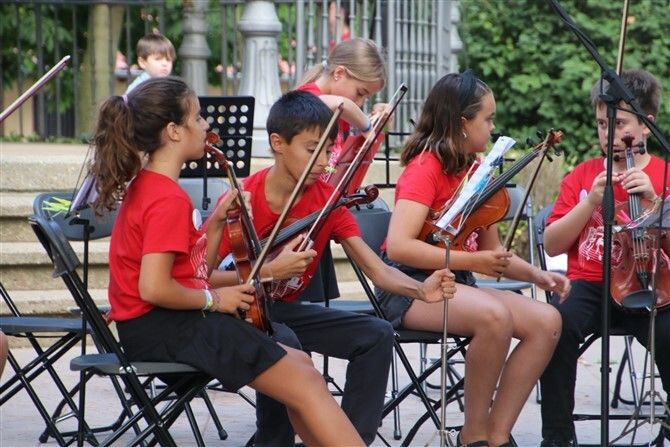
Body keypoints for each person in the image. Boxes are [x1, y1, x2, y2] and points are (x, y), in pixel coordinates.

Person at [89, 77, 366, 446]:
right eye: (198, 117)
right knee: (305, 382)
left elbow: (193, 273)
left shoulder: (150, 185)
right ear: (174, 131)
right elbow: (154, 288)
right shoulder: (167, 198)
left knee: (303, 369)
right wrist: (216, 300)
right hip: (167, 329)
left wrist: (218, 222)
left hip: (159, 327)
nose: (206, 125)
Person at [209, 90, 457, 446]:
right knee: (285, 342)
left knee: (376, 334)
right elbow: (202, 279)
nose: (323, 162)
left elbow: (377, 269)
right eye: (313, 150)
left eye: (327, 151)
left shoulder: (328, 200)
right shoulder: (242, 199)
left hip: (281, 311)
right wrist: (270, 271)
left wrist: (421, 289)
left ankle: (350, 439)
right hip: (237, 312)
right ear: (278, 144)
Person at [375, 70, 570, 447]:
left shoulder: (477, 173)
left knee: (547, 320)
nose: (493, 128)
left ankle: (497, 434)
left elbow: (490, 254)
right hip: (411, 286)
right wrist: (474, 263)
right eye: (488, 119)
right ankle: (473, 434)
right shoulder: (425, 168)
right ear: (463, 122)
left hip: (457, 284)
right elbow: (398, 246)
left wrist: (537, 275)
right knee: (494, 316)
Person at [539, 69, 670, 447]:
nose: (609, 134)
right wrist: (590, 204)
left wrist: (655, 202)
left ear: (647, 125)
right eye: (601, 124)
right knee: (555, 325)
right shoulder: (583, 176)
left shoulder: (663, 175)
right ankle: (558, 437)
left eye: (620, 124)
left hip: (652, 285)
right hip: (591, 283)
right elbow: (551, 244)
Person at [297, 37, 387, 179]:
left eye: (366, 97)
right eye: (360, 93)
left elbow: (329, 168)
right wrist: (366, 126)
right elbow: (335, 104)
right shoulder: (304, 98)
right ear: (339, 73)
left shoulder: (341, 113)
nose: (360, 103)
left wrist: (378, 122)